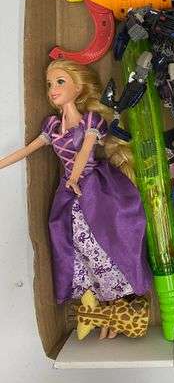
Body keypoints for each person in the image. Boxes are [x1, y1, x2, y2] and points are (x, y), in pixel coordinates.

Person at [0, 59, 152, 339]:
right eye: (49, 84)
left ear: (78, 87)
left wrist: (74, 178)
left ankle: (117, 305)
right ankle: (103, 308)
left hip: (95, 188)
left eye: (60, 82)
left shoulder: (91, 121)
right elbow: (28, 149)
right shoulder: (51, 126)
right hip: (69, 195)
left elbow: (84, 152)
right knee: (76, 244)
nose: (52, 90)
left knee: (102, 241)